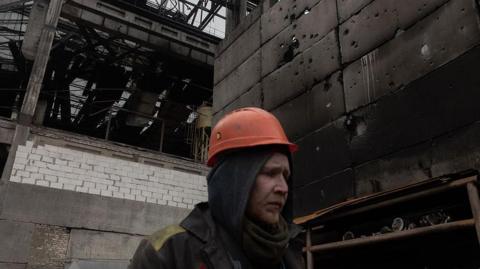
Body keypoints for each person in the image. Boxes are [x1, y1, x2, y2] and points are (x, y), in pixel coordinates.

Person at [129, 107, 304, 269]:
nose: (283, 188)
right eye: (270, 173)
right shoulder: (169, 251)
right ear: (233, 180)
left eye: (286, 176)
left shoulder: (291, 249)